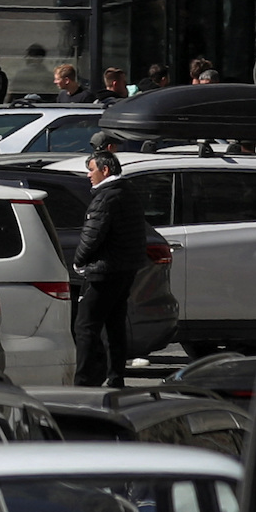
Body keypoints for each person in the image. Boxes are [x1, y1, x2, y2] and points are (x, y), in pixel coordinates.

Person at [73, 151, 148, 386]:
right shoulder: (128, 192)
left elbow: (92, 235)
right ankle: (116, 375)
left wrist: (79, 260)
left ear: (105, 171)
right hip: (125, 268)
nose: (88, 175)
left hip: (104, 270)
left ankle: (84, 380)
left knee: (85, 326)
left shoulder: (105, 198)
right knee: (115, 325)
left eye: (91, 170)